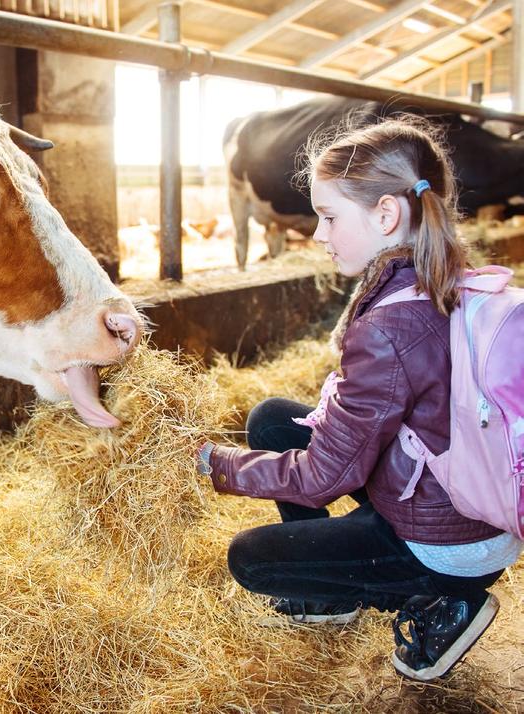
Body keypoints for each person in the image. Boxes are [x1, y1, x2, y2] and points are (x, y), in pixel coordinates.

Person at [197, 117, 522, 682]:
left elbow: (324, 477)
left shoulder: (390, 326)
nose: (317, 234)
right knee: (272, 419)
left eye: (328, 217)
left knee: (252, 559)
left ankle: (444, 601)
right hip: (455, 492)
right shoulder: (438, 273)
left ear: (387, 215)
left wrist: (214, 464)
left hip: (446, 542)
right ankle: (342, 595)